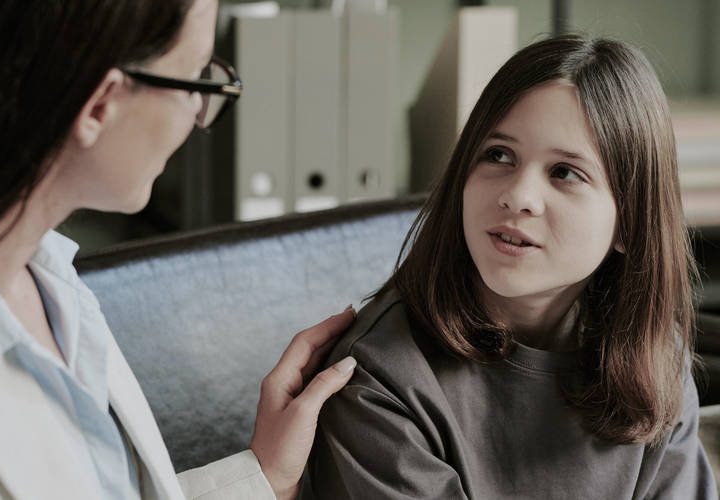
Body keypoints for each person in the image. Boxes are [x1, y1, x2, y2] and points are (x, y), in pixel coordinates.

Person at [0, 0, 358, 499]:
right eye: (197, 80)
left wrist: (264, 476)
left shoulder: (46, 281)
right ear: (100, 105)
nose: (199, 114)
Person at [306, 35, 718, 499]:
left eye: (565, 172)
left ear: (630, 222)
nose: (517, 196)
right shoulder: (380, 379)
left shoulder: (656, 361)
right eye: (498, 155)